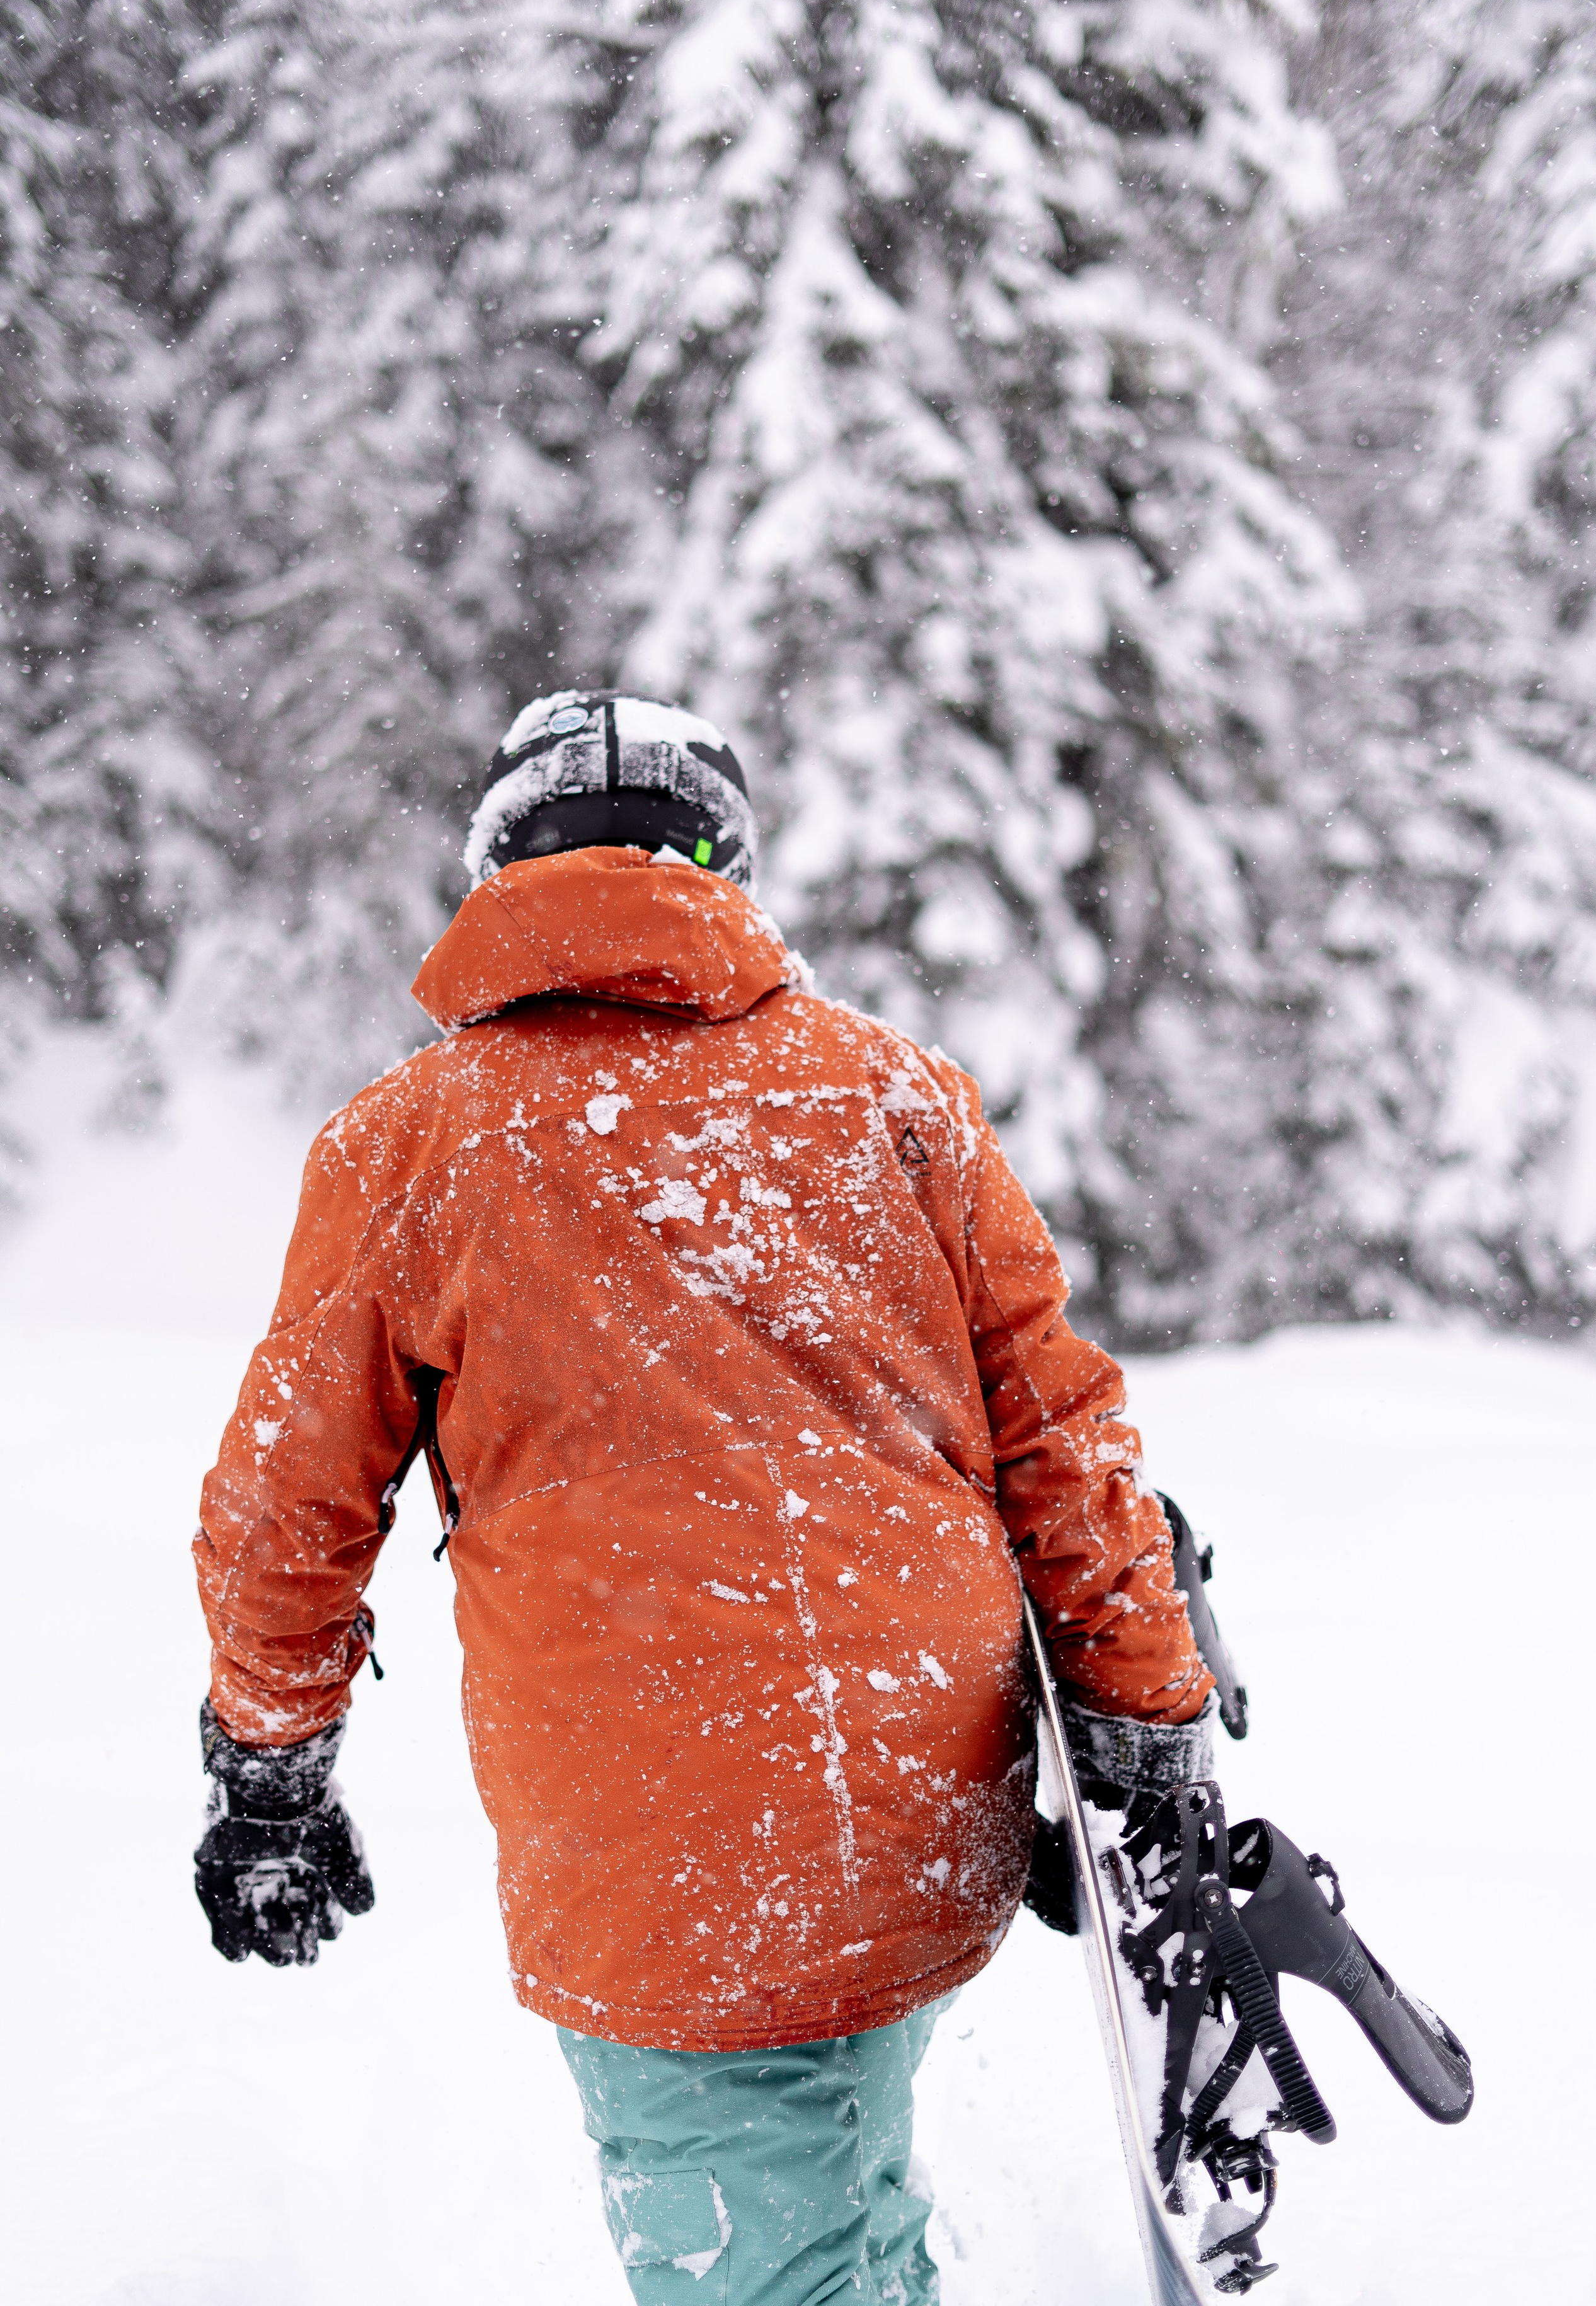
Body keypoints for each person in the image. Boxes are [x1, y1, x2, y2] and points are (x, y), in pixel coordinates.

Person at [192, 689, 1215, 2305]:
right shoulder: (892, 1095)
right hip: (922, 1784)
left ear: (500, 870)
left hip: (656, 1851)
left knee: (764, 2251)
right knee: (843, 2179)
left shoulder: (411, 1143)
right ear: (723, 865)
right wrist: (1142, 1714)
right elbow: (1061, 1441)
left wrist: (268, 1767)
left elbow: (288, 1502)